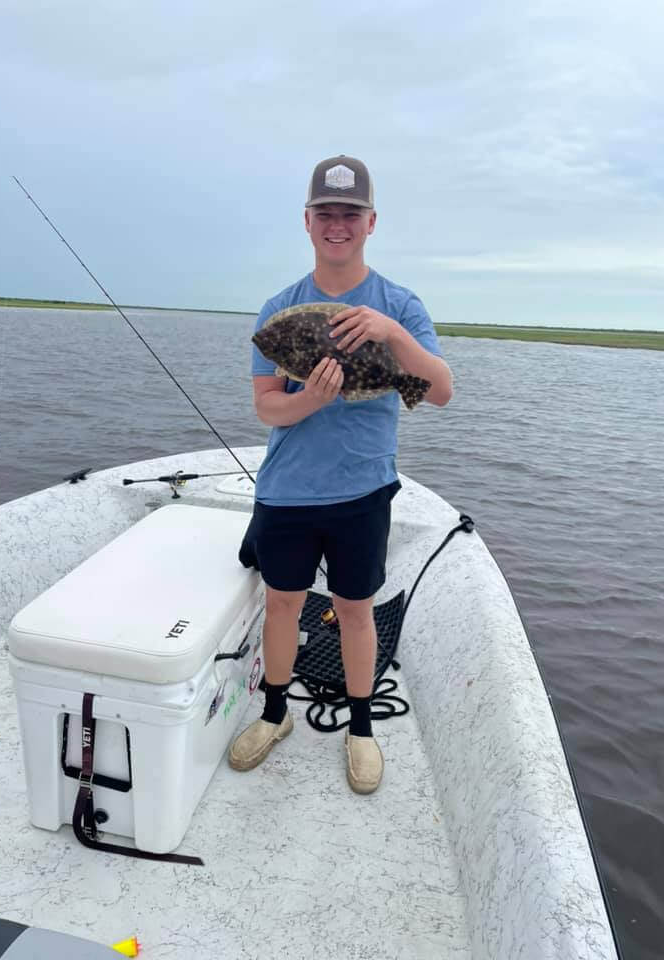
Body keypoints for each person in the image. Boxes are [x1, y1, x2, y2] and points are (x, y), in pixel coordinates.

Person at [230, 155, 452, 793]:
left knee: (356, 611)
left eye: (349, 214)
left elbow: (439, 391)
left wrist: (389, 334)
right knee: (282, 605)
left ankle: (360, 728)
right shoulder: (279, 311)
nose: (337, 224)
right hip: (288, 491)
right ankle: (274, 715)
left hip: (362, 491)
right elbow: (266, 403)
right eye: (325, 213)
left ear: (371, 222)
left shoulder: (399, 304)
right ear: (307, 222)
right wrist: (310, 401)